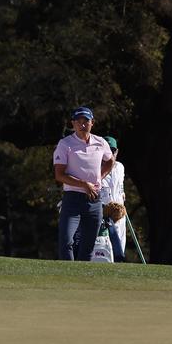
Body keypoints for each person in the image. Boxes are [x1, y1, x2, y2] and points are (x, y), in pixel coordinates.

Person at [53, 106, 114, 260]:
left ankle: (81, 281)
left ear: (92, 123)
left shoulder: (100, 142)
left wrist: (99, 177)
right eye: (78, 121)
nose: (82, 124)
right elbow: (59, 175)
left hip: (94, 200)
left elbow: (110, 161)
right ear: (72, 124)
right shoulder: (65, 144)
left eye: (86, 121)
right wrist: (84, 184)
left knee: (88, 246)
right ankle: (68, 277)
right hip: (72, 198)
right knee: (66, 241)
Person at [99, 135, 127, 262]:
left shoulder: (120, 167)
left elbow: (120, 186)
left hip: (120, 213)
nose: (111, 153)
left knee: (120, 243)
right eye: (108, 149)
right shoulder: (96, 167)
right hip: (103, 213)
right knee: (105, 247)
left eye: (113, 150)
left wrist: (122, 195)